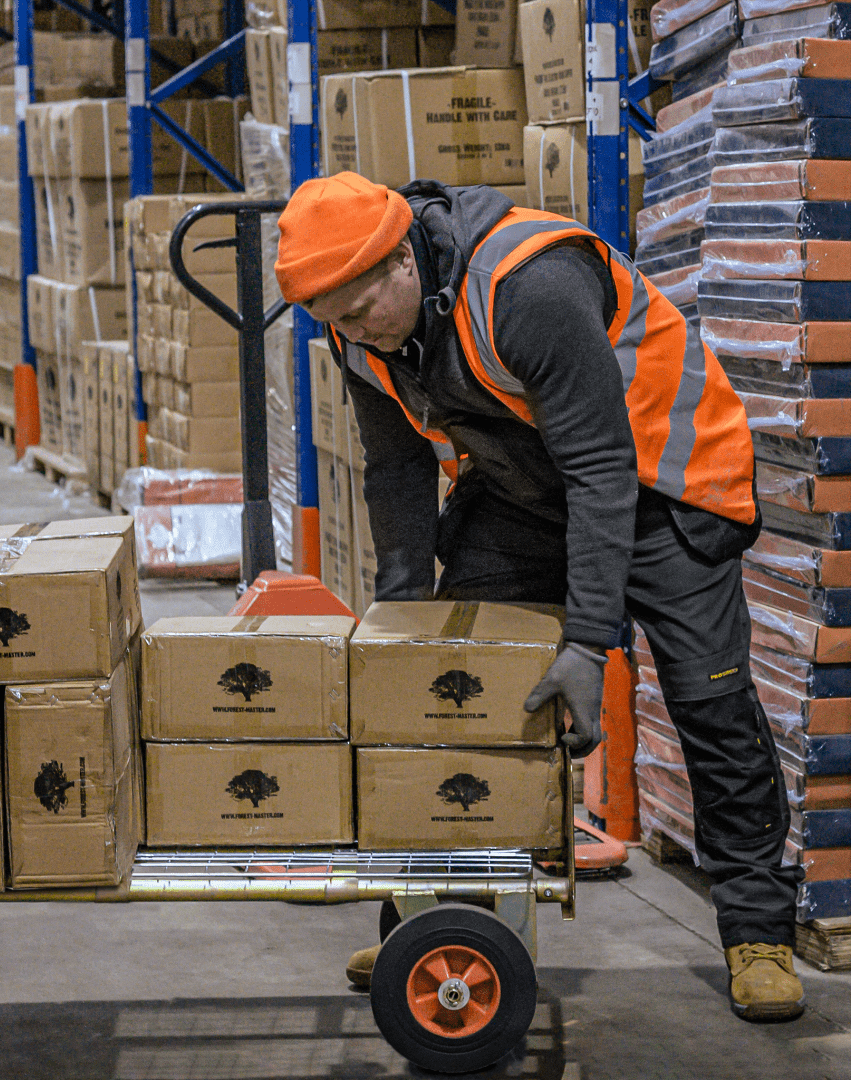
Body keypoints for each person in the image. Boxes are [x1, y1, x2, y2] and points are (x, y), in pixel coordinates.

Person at [273, 172, 806, 1022]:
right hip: (528, 490)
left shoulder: (529, 285)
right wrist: (399, 623)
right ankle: (440, 921)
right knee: (457, 685)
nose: (356, 331)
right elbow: (395, 472)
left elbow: (602, 467)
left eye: (363, 310)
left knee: (709, 701)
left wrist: (588, 642)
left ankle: (757, 933)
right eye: (335, 320)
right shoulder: (360, 336)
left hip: (665, 482)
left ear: (404, 258)